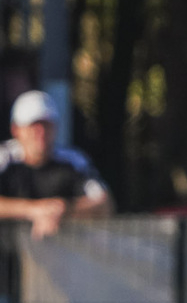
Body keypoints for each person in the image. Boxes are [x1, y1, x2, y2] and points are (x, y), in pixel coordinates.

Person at [0, 91, 112, 237]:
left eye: (46, 125)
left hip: (56, 257)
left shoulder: (73, 161)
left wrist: (64, 209)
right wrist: (33, 210)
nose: (40, 132)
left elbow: (105, 203)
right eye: (33, 126)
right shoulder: (4, 157)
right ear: (15, 129)